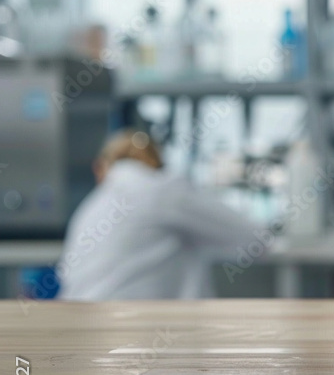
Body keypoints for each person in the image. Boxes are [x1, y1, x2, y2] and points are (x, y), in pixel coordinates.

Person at [58, 129, 264, 300]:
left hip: (78, 323)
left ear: (100, 168)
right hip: (132, 331)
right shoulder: (163, 189)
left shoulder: (89, 206)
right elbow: (255, 238)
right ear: (157, 162)